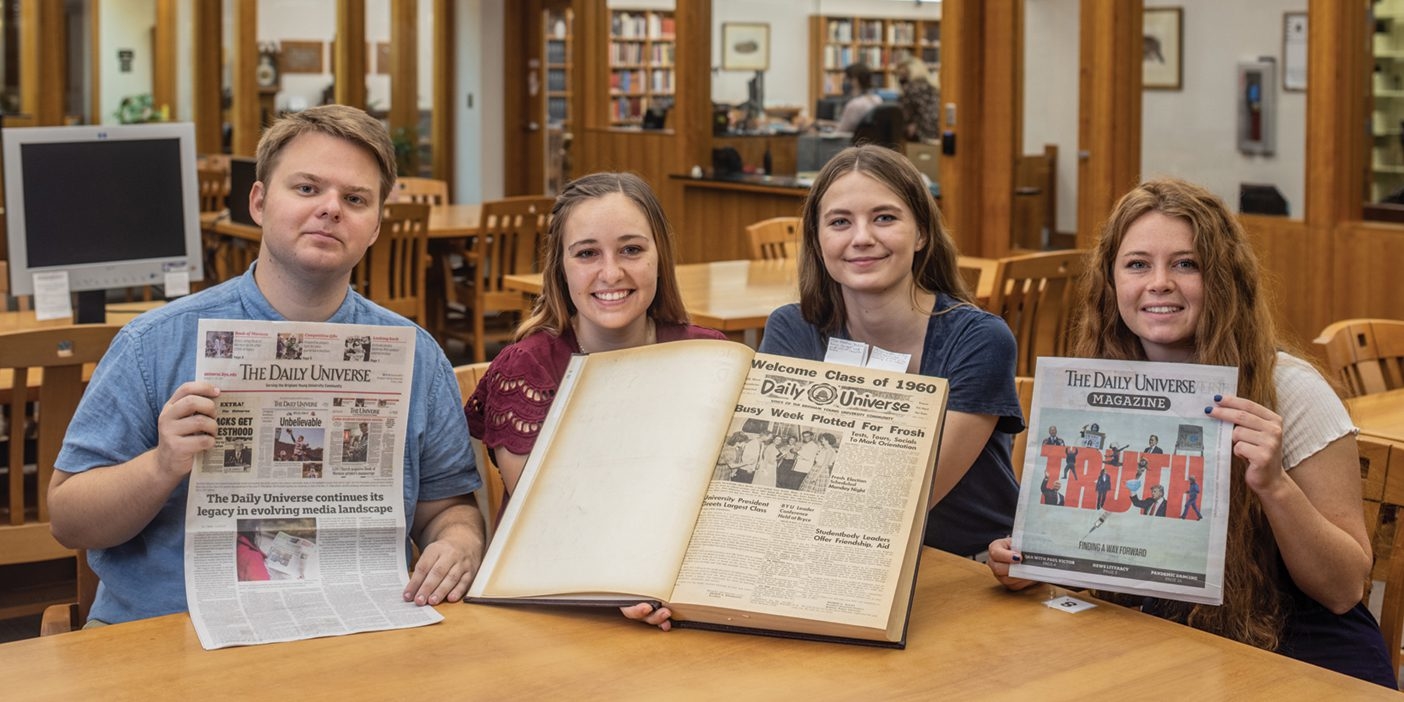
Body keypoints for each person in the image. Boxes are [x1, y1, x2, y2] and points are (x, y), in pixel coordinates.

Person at [49, 105, 486, 626]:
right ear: (258, 202)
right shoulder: (153, 344)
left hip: (350, 629)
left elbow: (448, 508)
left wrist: (459, 542)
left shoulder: (415, 355)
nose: (330, 209)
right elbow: (69, 520)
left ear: (374, 227)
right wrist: (162, 464)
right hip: (171, 632)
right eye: (306, 189)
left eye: (355, 199)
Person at [986, 178, 1394, 687]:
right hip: (1163, 644)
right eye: (1138, 264)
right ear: (1112, 285)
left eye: (1186, 264)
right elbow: (1115, 549)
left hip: (1300, 653)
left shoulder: (1289, 387)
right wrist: (1038, 561)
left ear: (1223, 280)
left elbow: (1342, 589)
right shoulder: (1091, 389)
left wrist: (1274, 485)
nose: (1160, 282)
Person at [464, 171, 726, 630]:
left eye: (631, 249)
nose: (611, 273)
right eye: (587, 253)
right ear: (560, 269)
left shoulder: (713, 355)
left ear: (659, 255)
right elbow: (551, 521)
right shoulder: (527, 370)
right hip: (550, 608)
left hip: (684, 601)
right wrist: (626, 584)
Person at [758, 144, 1024, 557]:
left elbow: (902, 504)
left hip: (967, 568)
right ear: (816, 239)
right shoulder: (791, 330)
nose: (862, 238)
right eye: (840, 222)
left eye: (884, 218)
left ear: (922, 233)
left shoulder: (979, 340)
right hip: (823, 553)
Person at [894, 56, 939, 142]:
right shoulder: (933, 87)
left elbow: (904, 115)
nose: (900, 79)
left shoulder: (911, 89)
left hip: (920, 137)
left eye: (903, 75)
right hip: (936, 134)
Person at [835, 63, 883, 134]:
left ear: (855, 80)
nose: (844, 83)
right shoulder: (878, 99)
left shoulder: (854, 105)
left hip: (851, 143)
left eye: (846, 79)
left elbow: (840, 132)